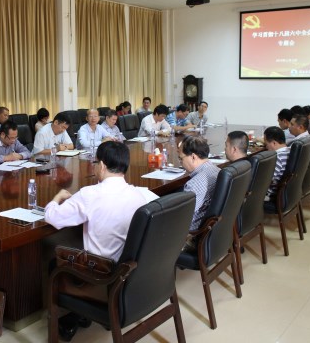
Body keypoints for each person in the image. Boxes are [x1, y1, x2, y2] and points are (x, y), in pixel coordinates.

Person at [44, 141, 158, 340]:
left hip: (102, 277)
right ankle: (81, 314)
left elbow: (52, 217)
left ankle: (72, 313)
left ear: (102, 165)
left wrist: (57, 197)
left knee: (55, 264)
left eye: (96, 163)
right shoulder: (140, 194)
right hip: (131, 274)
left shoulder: (90, 194)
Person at [177, 135, 220, 232]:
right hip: (215, 229)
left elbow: (182, 219)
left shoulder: (193, 184)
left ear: (193, 157)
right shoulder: (218, 171)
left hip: (193, 232)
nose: (181, 163)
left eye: (181, 158)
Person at [263, 126, 290, 200]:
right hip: (287, 192)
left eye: (266, 144)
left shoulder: (278, 158)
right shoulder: (290, 150)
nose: (266, 147)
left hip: (271, 194)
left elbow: (266, 181)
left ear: (274, 143)